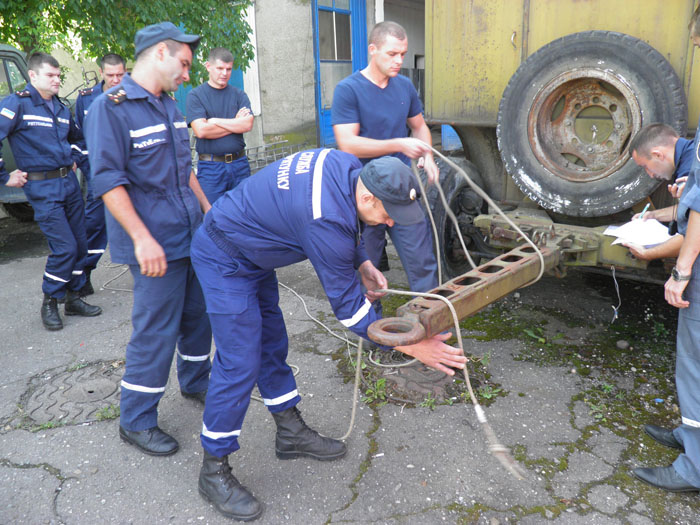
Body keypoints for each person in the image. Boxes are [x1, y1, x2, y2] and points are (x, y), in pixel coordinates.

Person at [190, 148, 466, 521]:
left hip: (253, 251)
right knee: (239, 359)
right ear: (368, 196)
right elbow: (350, 311)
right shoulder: (325, 223)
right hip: (224, 256)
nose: (390, 224)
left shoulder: (349, 166)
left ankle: (289, 432)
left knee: (271, 344)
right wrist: (415, 344)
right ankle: (213, 470)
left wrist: (363, 261)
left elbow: (346, 218)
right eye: (388, 214)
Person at [84, 22, 213, 457]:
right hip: (154, 243)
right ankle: (136, 419)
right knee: (156, 330)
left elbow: (184, 168)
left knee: (199, 316)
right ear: (161, 52)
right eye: (184, 63)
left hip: (190, 234)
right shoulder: (111, 108)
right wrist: (141, 238)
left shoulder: (170, 106)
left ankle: (196, 382)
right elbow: (106, 180)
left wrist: (209, 212)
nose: (188, 73)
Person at [632, 7, 700, 493]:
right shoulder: (691, 155)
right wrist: (655, 216)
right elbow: (689, 206)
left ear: (659, 153)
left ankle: (692, 469)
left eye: (648, 168)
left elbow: (699, 216)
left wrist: (677, 269)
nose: (653, 177)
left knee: (693, 368)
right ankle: (690, 438)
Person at [332, 21, 439, 313]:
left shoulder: (404, 86)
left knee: (423, 264)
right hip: (365, 195)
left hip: (403, 189)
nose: (399, 61)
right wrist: (399, 144)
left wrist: (426, 154)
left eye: (403, 54)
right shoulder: (348, 90)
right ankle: (371, 331)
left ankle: (431, 331)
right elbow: (348, 143)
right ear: (373, 50)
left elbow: (419, 127)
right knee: (367, 268)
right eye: (392, 54)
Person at [0, 52, 102, 331]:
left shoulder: (59, 107)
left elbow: (77, 141)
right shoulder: (17, 104)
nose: (57, 80)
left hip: (68, 183)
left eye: (58, 76)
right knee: (65, 247)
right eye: (51, 76)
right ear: (32, 76)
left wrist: (82, 162)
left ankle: (74, 296)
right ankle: (50, 300)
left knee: (80, 243)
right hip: (42, 187)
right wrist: (4, 176)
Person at [74, 53, 127, 295]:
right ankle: (82, 276)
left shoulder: (133, 96)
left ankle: (149, 272)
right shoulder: (86, 99)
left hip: (128, 173)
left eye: (120, 75)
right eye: (111, 75)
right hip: (98, 174)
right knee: (94, 226)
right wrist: (90, 170)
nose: (116, 80)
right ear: (101, 72)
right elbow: (78, 139)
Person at [186, 47, 253, 204]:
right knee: (212, 217)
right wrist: (235, 122)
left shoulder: (239, 95)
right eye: (220, 68)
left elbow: (247, 125)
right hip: (211, 169)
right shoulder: (196, 96)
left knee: (244, 213)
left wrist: (215, 121)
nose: (224, 73)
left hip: (239, 165)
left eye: (228, 69)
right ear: (208, 67)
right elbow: (201, 131)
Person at [622, 123, 694, 261]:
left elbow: (694, 234)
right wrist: (653, 215)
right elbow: (694, 209)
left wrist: (648, 254)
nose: (650, 174)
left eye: (645, 166)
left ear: (657, 155)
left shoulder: (690, 172)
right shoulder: (692, 154)